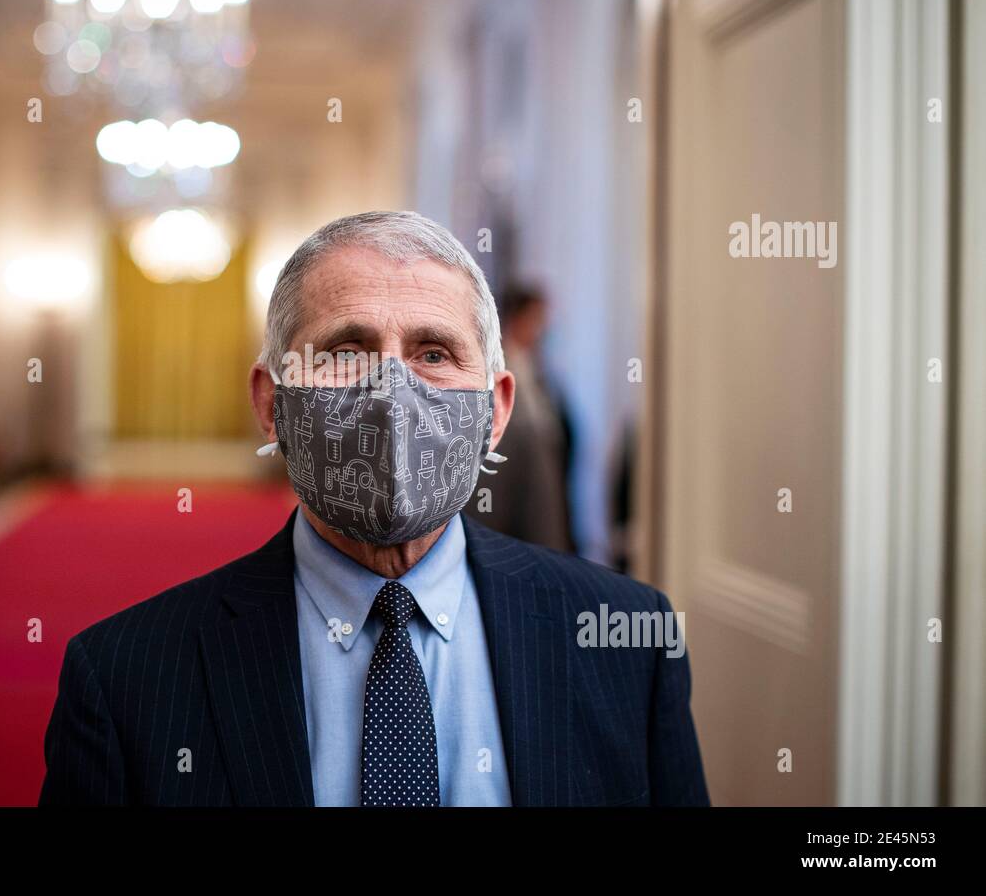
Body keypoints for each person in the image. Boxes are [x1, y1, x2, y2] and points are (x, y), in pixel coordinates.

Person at [39, 211, 708, 806]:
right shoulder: (126, 676)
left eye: (434, 353)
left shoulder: (628, 639)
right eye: (346, 351)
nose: (391, 393)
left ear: (497, 411)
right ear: (272, 404)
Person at [468, 285, 577, 553]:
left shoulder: (541, 372)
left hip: (544, 487)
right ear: (518, 318)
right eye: (538, 319)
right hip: (511, 501)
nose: (544, 328)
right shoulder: (495, 370)